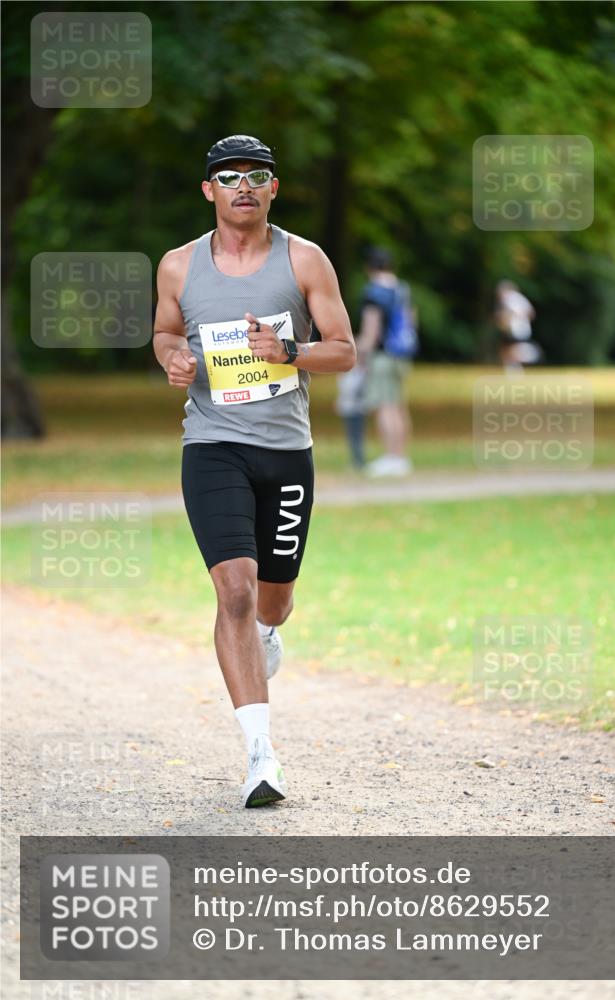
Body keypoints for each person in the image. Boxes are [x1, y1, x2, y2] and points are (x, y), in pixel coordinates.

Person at [153, 135, 355, 808]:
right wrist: (173, 357)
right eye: (229, 176)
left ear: (274, 188)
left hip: (286, 451)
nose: (243, 185)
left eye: (257, 175)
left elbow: (344, 351)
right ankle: (260, 755)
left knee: (272, 601)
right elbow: (165, 332)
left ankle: (268, 633)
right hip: (212, 445)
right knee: (233, 592)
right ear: (208, 190)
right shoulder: (178, 266)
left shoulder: (304, 259)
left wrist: (289, 351)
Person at [356, 248, 416, 477]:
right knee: (398, 405)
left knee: (385, 407)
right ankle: (401, 456)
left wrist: (361, 355)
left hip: (382, 356)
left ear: (369, 267)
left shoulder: (373, 292)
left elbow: (371, 331)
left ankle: (393, 458)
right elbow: (411, 321)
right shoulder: (402, 289)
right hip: (401, 354)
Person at [494, 280, 540, 372]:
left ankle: (528, 357)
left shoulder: (511, 299)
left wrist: (513, 317)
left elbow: (528, 313)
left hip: (516, 329)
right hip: (514, 329)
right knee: (508, 348)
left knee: (512, 349)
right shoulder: (518, 299)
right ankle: (512, 367)